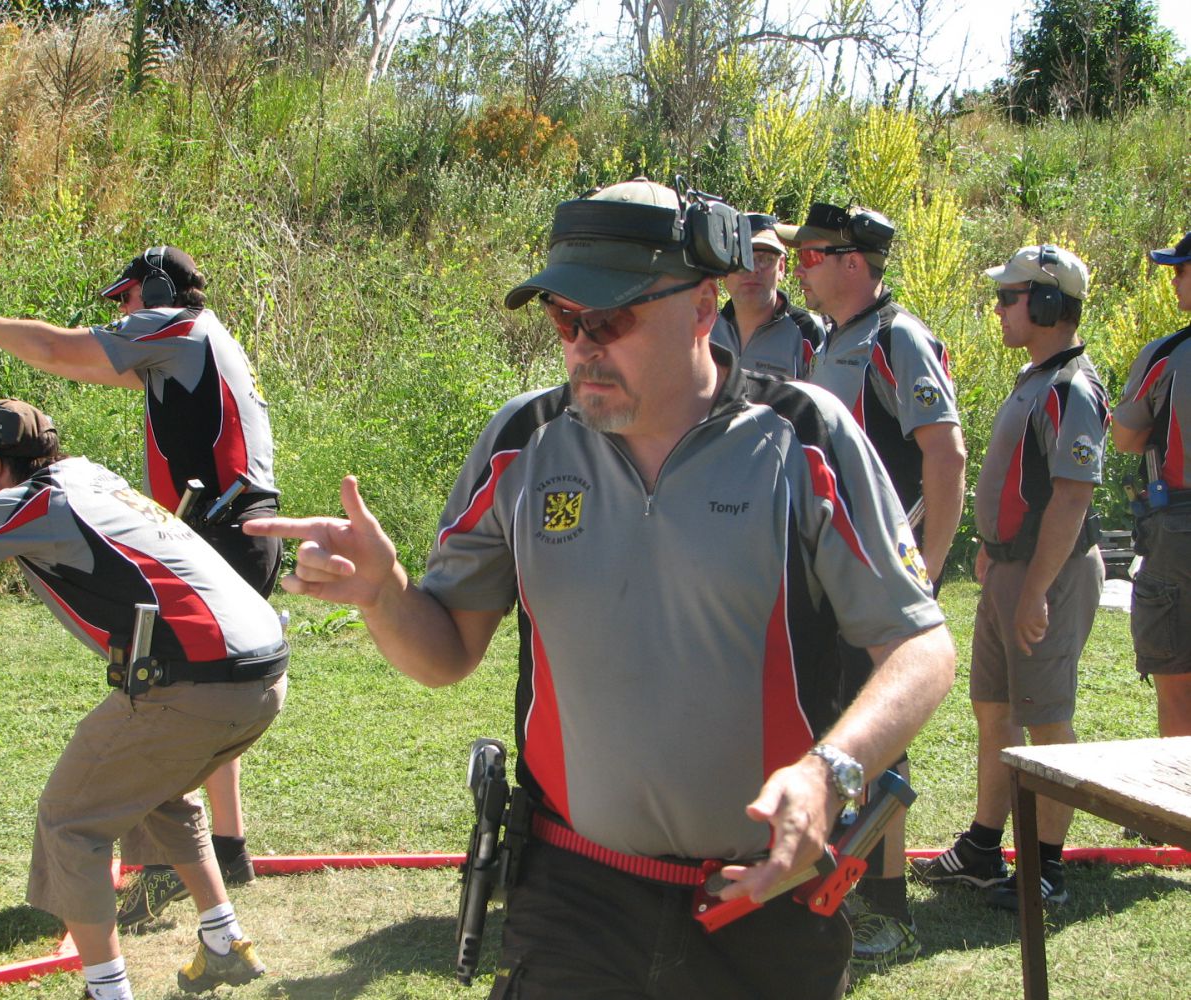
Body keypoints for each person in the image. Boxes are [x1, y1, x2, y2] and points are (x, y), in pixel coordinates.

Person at [245, 178, 956, 1000]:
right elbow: (445, 654)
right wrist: (385, 595)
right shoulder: (523, 441)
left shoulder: (805, 436)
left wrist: (829, 773)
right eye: (563, 319)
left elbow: (920, 646)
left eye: (610, 319)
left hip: (763, 897)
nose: (582, 346)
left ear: (701, 307)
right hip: (572, 897)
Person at [0, 399, 288, 1000]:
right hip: (261, 676)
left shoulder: (37, 506)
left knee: (69, 823)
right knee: (157, 789)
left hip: (196, 687)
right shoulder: (80, 478)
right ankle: (224, 942)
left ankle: (107, 991)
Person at [0, 246, 280, 928]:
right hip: (232, 526)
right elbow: (92, 362)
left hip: (223, 528)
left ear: (159, 291)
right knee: (179, 692)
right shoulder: (198, 341)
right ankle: (224, 848)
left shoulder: (177, 327)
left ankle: (175, 865)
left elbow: (62, 352)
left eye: (127, 297)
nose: (122, 311)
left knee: (172, 694)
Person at [783, 201, 967, 966]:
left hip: (875, 585)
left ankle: (887, 909)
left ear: (852, 262)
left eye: (809, 256)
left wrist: (923, 572)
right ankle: (838, 888)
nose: (798, 270)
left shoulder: (897, 337)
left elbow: (946, 457)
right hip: (830, 581)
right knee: (836, 730)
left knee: (879, 743)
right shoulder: (833, 338)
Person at [912, 245, 1108, 911]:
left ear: (1047, 304)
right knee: (994, 709)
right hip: (1012, 569)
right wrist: (995, 550)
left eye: (1008, 297)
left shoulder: (1070, 388)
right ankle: (982, 845)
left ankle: (1045, 869)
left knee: (1046, 719)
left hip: (1046, 575)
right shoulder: (1036, 378)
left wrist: (1034, 590)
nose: (997, 309)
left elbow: (1072, 496)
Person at [1112, 230, 1191, 739]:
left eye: (1181, 270)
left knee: (1177, 685)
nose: (1175, 281)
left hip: (1178, 531)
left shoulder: (1167, 355)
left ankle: (1178, 789)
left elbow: (1125, 437)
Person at [709, 212, 825, 378]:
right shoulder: (705, 329)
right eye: (742, 259)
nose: (753, 269)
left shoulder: (809, 331)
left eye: (765, 259)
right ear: (724, 268)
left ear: (781, 267)